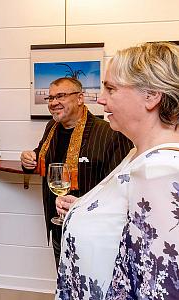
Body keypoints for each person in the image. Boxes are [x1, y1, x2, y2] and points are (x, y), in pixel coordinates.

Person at [55, 42, 179, 299]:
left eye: (111, 89)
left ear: (152, 95)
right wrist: (87, 208)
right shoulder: (139, 154)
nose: (100, 98)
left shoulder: (159, 172)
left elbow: (160, 288)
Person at [20, 77, 132, 267]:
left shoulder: (110, 133)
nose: (54, 102)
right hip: (57, 225)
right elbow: (41, 158)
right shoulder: (51, 127)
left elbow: (120, 188)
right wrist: (28, 159)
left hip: (94, 232)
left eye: (61, 96)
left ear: (80, 98)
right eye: (51, 98)